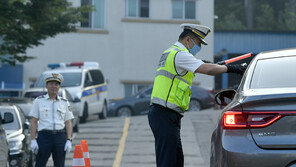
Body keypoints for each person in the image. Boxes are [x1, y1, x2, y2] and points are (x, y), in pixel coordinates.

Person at [148, 23, 246, 167]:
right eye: (198, 42)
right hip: (164, 114)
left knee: (175, 160)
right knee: (168, 162)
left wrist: (203, 63)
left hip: (166, 114)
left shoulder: (171, 53)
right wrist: (232, 68)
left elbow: (199, 66)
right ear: (188, 39)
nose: (198, 47)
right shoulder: (179, 54)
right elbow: (207, 70)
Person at [29, 73, 74, 167]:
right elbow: (34, 121)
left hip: (60, 137)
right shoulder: (39, 101)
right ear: (46, 86)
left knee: (60, 164)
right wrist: (33, 140)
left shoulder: (64, 102)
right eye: (51, 84)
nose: (54, 86)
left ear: (59, 87)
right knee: (40, 164)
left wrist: (69, 139)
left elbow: (68, 122)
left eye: (56, 84)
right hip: (44, 137)